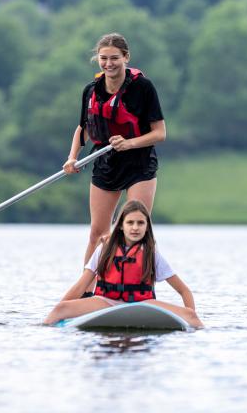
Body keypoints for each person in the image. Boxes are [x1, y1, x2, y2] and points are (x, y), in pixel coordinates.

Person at [63, 33, 166, 296]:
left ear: (126, 58)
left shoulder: (143, 88)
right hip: (105, 164)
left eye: (115, 58)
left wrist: (129, 144)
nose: (109, 64)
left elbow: (160, 133)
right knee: (98, 232)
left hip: (139, 165)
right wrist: (72, 157)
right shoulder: (90, 90)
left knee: (137, 228)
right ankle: (86, 292)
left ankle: (142, 289)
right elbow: (83, 130)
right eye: (103, 58)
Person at [43, 200, 203, 328]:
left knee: (192, 316)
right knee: (60, 309)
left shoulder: (151, 253)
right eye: (130, 222)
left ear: (147, 227)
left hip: (142, 304)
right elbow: (80, 286)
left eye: (140, 223)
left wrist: (188, 321)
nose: (135, 227)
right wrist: (63, 308)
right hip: (106, 302)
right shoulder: (103, 249)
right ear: (121, 225)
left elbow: (183, 290)